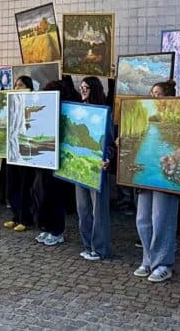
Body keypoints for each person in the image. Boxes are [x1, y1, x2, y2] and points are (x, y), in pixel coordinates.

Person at [133, 80, 180, 284]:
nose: (154, 97)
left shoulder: (179, 117)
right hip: (147, 173)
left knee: (162, 219)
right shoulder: (148, 120)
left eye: (158, 93)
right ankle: (148, 259)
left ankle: (163, 264)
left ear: (168, 97)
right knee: (143, 219)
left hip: (165, 176)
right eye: (152, 93)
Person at [31, 80, 76, 247]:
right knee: (40, 192)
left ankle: (57, 230)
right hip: (42, 157)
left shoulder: (66, 110)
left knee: (54, 194)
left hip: (57, 159)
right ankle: (46, 226)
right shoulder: (45, 109)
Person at [75, 76, 114, 260]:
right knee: (83, 209)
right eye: (81, 87)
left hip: (97, 169)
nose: (82, 90)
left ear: (95, 90)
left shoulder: (104, 113)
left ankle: (100, 249)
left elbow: (112, 144)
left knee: (98, 211)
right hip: (79, 167)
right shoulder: (77, 111)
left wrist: (108, 158)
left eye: (86, 88)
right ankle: (88, 244)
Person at [3, 75, 36, 232]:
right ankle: (16, 216)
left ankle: (26, 219)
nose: (17, 88)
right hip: (11, 151)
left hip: (25, 152)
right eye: (15, 85)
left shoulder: (32, 105)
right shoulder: (11, 105)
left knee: (24, 187)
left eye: (20, 85)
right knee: (12, 186)